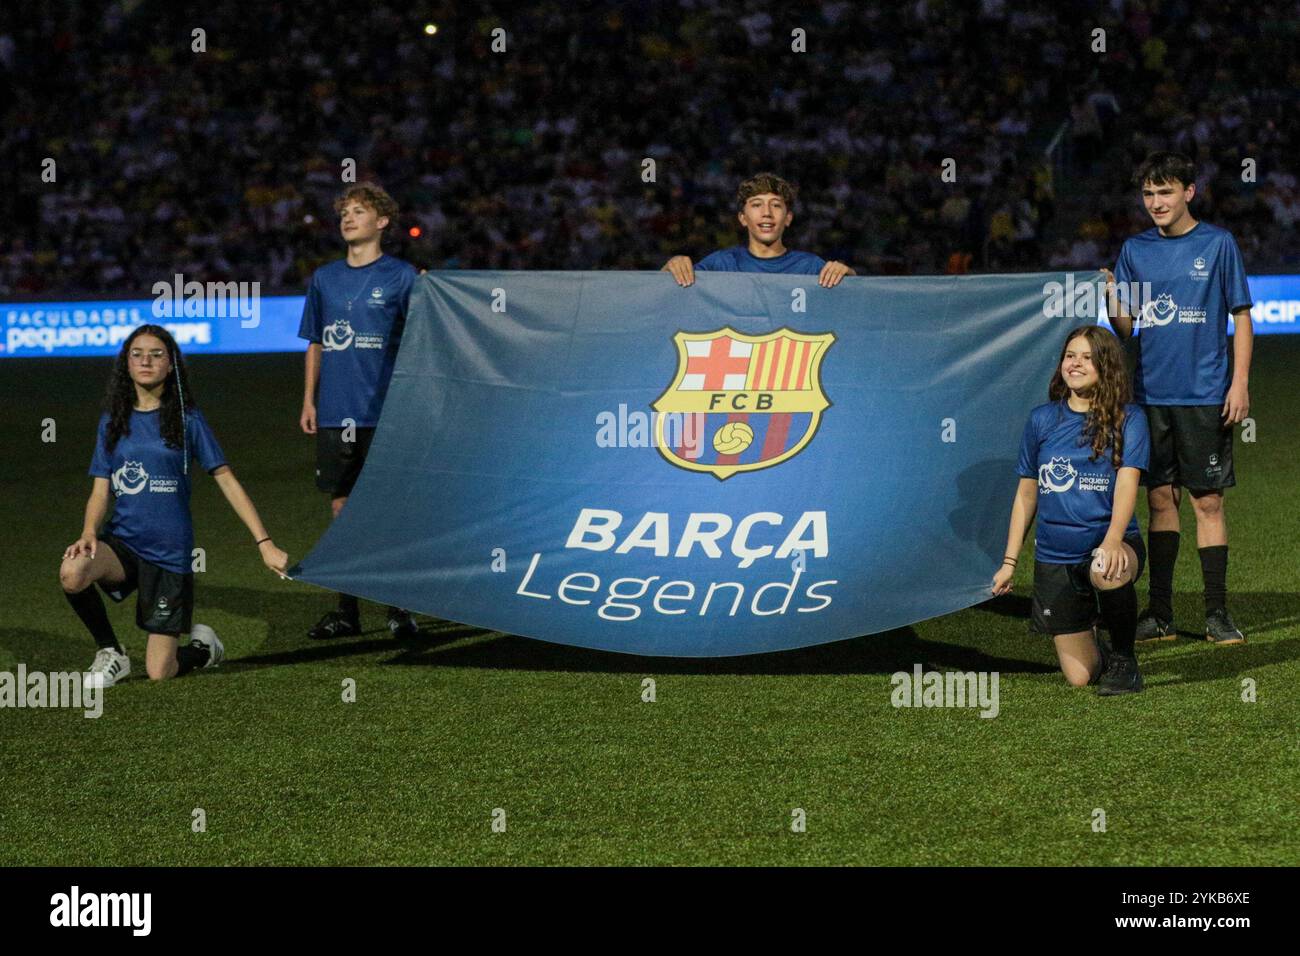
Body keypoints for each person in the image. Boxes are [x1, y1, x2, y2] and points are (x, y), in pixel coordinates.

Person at [60, 325, 289, 688]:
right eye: (137, 354)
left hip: (169, 554)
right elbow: (100, 489)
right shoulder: (113, 421)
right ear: (126, 364)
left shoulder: (187, 419)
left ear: (170, 366)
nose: (145, 360)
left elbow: (226, 480)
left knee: (159, 672)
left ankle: (203, 648)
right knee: (73, 571)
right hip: (124, 545)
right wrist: (88, 533)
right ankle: (111, 652)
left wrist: (265, 543)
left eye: (156, 354)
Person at [1100, 151, 1254, 645]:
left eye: (1165, 192)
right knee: (1160, 500)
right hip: (1148, 396)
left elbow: (1242, 317)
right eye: (1148, 193)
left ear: (1189, 191)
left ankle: (1216, 613)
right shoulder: (1135, 250)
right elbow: (1126, 330)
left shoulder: (1218, 244)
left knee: (1206, 500)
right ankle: (1160, 612)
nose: (1156, 202)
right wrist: (1112, 299)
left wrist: (1240, 383)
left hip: (1204, 393)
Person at [992, 325, 1151, 695]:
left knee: (1105, 569)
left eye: (1086, 357)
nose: (1075, 363)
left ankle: (1126, 662)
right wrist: (1010, 562)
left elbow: (1127, 483)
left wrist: (1113, 540)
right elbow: (1026, 495)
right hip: (1055, 557)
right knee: (1080, 675)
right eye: (1070, 355)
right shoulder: (1041, 420)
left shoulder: (1130, 419)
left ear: (1106, 366)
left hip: (1110, 544)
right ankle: (1099, 640)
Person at [298, 183, 420, 640]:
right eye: (344, 212)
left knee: (390, 512)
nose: (348, 218)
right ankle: (346, 612)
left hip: (387, 413)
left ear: (382, 222)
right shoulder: (325, 279)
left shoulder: (402, 276)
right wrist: (310, 399)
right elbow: (316, 342)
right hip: (335, 413)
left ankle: (399, 608)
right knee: (342, 510)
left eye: (359, 211)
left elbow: (422, 336)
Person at [661, 172, 855, 287]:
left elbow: (857, 297)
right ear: (743, 218)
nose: (767, 213)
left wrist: (847, 275)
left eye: (776, 205)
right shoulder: (722, 263)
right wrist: (671, 267)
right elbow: (659, 292)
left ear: (788, 218)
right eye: (756, 205)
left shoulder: (809, 267)